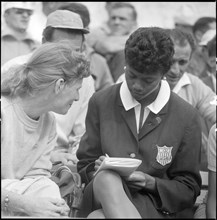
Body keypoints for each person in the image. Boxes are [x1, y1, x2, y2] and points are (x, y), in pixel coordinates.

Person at [76, 27, 202, 218]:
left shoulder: (186, 116)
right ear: (125, 63)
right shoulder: (101, 102)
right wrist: (98, 169)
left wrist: (149, 182)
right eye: (131, 75)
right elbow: (85, 163)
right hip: (100, 193)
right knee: (107, 178)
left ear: (164, 74)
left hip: (152, 207)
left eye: (148, 80)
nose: (137, 86)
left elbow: (188, 189)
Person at [1, 40, 90, 217]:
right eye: (76, 89)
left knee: (47, 188)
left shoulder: (48, 122)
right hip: (11, 201)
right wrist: (25, 204)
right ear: (59, 85)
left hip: (16, 197)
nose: (78, 97)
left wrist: (52, 205)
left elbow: (36, 177)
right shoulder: (4, 113)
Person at [1, 9, 95, 167]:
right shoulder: (14, 68)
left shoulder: (84, 79)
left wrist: (73, 156)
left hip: (60, 155)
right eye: (62, 50)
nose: (70, 57)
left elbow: (83, 132)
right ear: (44, 42)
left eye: (77, 51)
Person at [164, 28, 216, 172]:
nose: (175, 70)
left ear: (190, 59)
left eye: (182, 62)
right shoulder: (140, 80)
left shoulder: (194, 84)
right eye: (170, 61)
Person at [58, 2, 114, 91]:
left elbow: (107, 98)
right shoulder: (41, 58)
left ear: (86, 30)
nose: (66, 35)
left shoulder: (98, 63)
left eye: (73, 31)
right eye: (61, 29)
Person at [86, 2, 138, 82]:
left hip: (127, 82)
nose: (116, 22)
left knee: (123, 54)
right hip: (99, 81)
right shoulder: (99, 32)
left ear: (134, 23)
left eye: (122, 19)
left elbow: (107, 46)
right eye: (113, 18)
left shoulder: (140, 36)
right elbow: (106, 46)